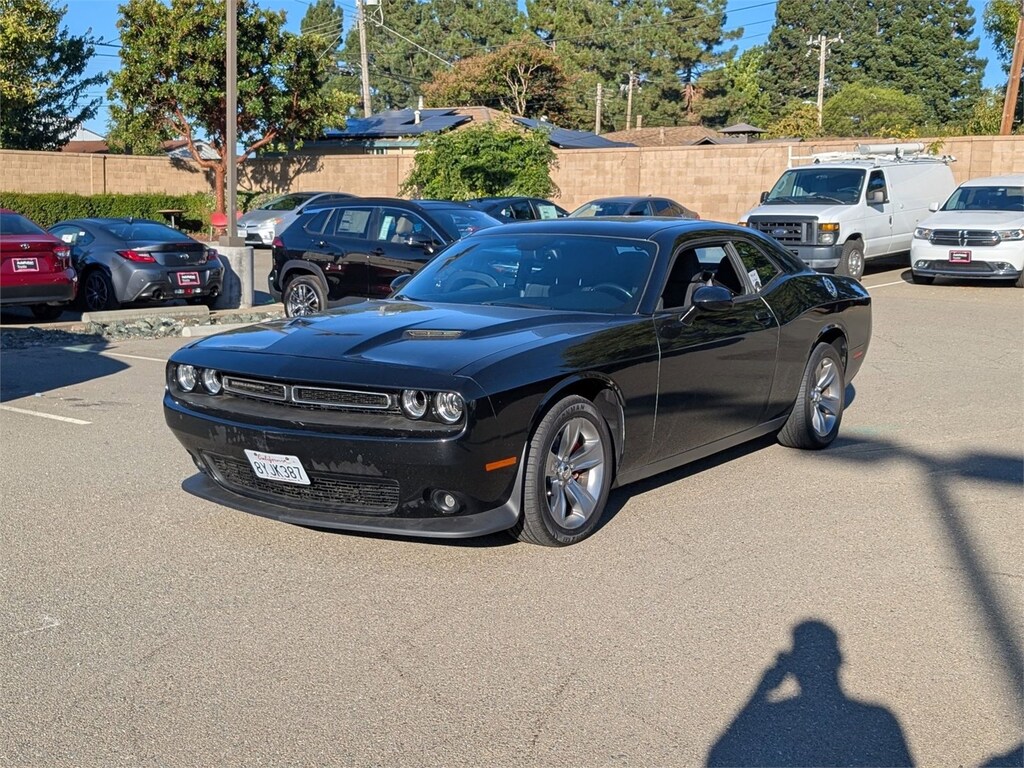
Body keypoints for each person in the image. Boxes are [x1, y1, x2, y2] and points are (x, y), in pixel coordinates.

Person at [708, 620, 913, 767]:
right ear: (838, 659)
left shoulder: (774, 718)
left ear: (793, 667)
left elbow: (720, 756)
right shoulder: (878, 719)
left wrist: (760, 693)